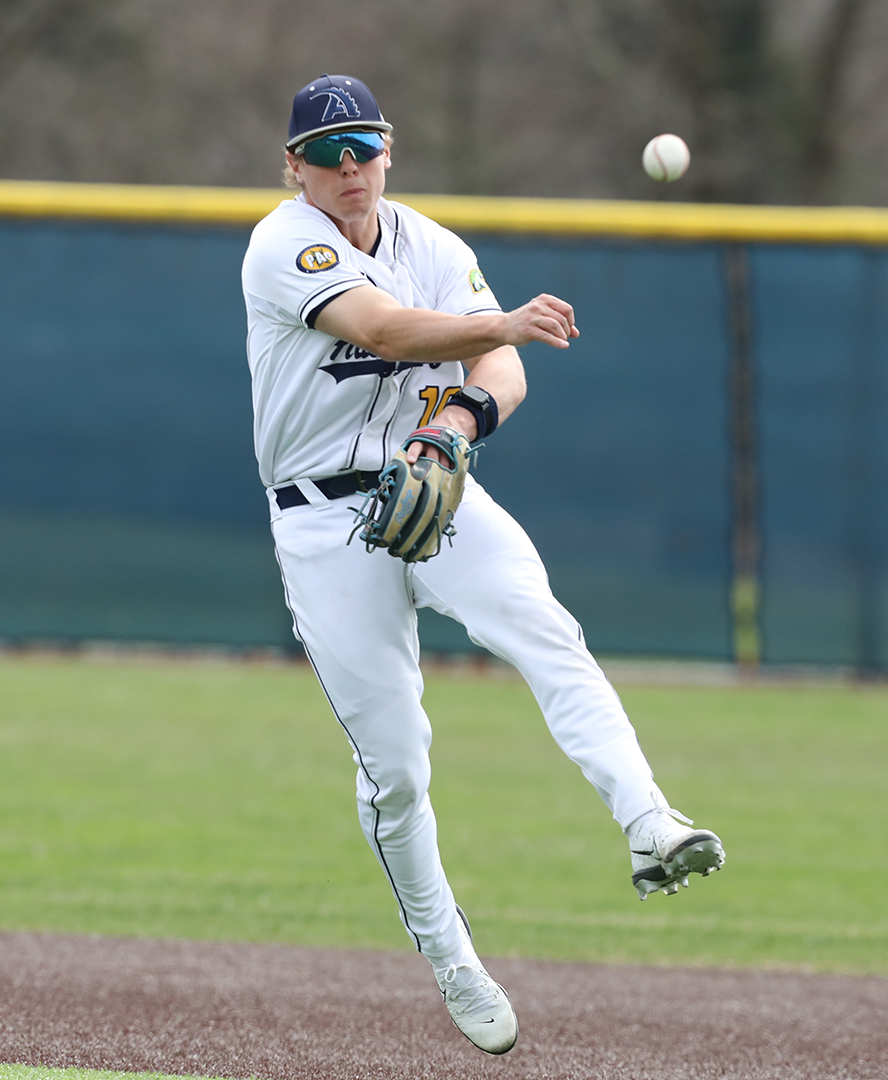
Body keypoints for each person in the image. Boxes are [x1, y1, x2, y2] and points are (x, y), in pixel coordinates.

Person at [239, 74, 726, 1056]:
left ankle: (648, 821)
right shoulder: (283, 243)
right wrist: (499, 329)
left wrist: (460, 421)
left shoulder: (436, 245)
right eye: (327, 152)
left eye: (363, 147)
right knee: (399, 767)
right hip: (323, 523)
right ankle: (450, 954)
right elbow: (381, 328)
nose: (348, 168)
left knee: (545, 629)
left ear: (389, 151)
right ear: (293, 166)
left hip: (432, 477)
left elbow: (503, 372)